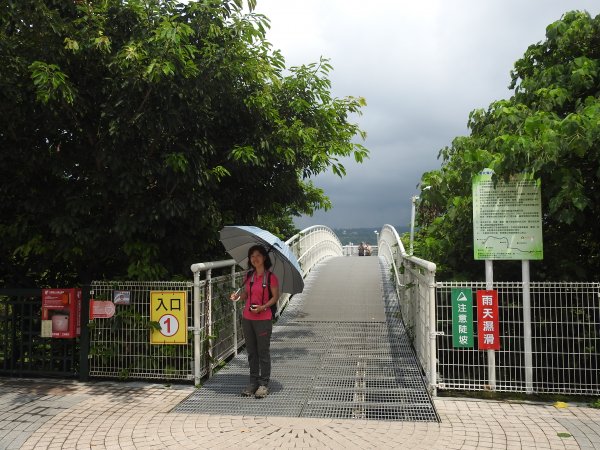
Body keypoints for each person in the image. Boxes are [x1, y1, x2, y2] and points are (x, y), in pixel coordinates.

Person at [230, 244, 279, 398]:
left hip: (263, 318)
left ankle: (263, 384)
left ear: (264, 258)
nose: (255, 259)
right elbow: (246, 294)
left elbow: (275, 297)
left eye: (258, 255)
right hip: (248, 318)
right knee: (251, 352)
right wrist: (237, 297)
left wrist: (263, 307)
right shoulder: (249, 276)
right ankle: (253, 382)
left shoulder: (271, 277)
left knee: (263, 352)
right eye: (252, 256)